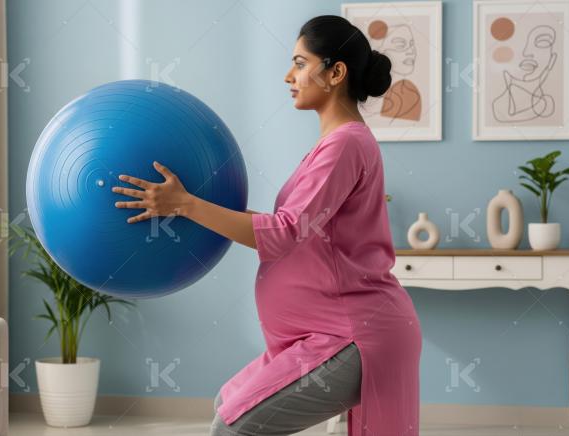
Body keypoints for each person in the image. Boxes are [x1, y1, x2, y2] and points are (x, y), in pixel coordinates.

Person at [112, 14, 421, 436]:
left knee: (233, 425)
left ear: (336, 73)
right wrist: (187, 207)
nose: (288, 76)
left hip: (352, 335)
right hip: (325, 333)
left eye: (300, 63)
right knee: (227, 404)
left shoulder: (345, 144)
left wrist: (185, 205)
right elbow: (289, 228)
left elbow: (284, 234)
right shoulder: (337, 143)